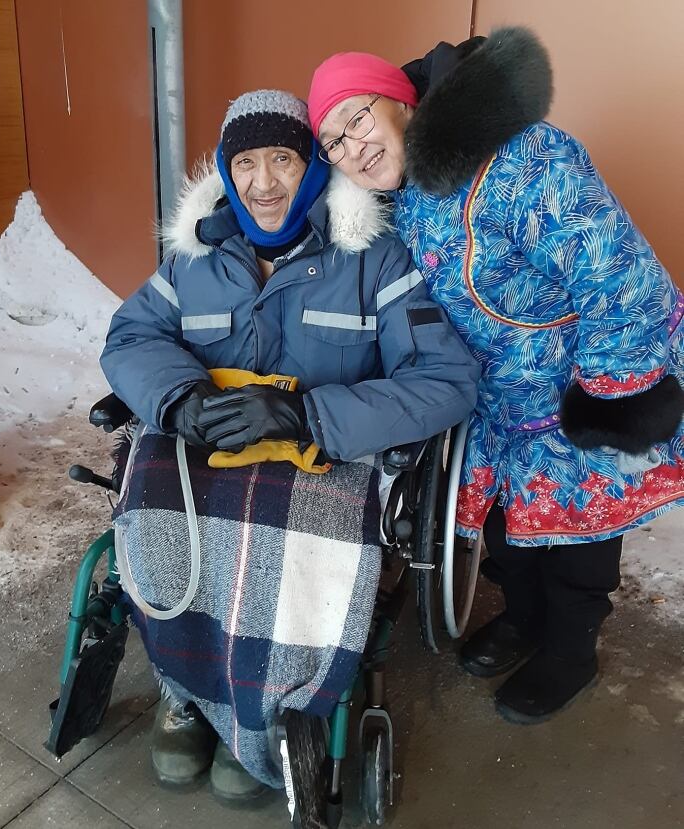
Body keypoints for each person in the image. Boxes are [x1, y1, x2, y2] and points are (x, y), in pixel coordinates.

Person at [101, 90, 478, 799]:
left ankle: (268, 710)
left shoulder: (372, 257)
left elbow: (447, 380)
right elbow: (131, 337)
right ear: (225, 168)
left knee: (295, 538)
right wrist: (179, 395)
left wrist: (310, 415)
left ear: (310, 166)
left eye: (282, 158)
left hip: (323, 457)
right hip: (209, 446)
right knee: (151, 504)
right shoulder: (194, 259)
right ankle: (184, 688)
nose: (264, 182)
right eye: (245, 162)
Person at [308, 27, 684, 724]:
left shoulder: (525, 159)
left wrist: (610, 399)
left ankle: (572, 650)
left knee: (581, 533)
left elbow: (618, 280)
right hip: (495, 398)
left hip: (579, 382)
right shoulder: (401, 196)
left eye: (358, 114)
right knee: (511, 529)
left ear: (401, 103)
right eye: (332, 139)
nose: (352, 144)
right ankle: (523, 620)